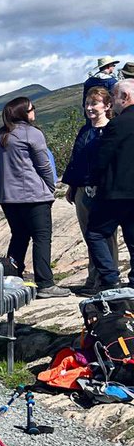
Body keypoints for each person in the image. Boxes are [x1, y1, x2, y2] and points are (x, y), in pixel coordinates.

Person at [0, 96, 69, 298]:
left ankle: (11, 277)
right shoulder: (31, 134)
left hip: (6, 197)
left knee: (19, 235)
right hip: (33, 195)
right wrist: (49, 187)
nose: (35, 111)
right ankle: (45, 283)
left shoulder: (0, 136)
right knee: (42, 238)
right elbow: (43, 165)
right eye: (32, 108)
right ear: (23, 113)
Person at [65, 88, 117, 294]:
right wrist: (71, 186)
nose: (89, 108)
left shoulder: (112, 130)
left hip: (105, 191)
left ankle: (108, 280)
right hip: (82, 189)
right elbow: (76, 159)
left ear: (107, 105)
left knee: (106, 236)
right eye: (87, 104)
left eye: (94, 103)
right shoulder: (84, 131)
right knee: (90, 236)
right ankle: (92, 279)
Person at [85, 79, 134, 292]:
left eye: (114, 97)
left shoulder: (117, 124)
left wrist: (92, 181)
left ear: (125, 98)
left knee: (95, 233)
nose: (113, 102)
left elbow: (103, 157)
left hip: (115, 191)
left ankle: (110, 277)